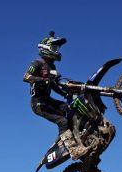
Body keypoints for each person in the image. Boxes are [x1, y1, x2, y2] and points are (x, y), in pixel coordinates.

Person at [23, 31, 89, 160]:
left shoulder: (51, 66)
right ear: (45, 48)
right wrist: (44, 80)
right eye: (54, 48)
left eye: (57, 48)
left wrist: (65, 94)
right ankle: (72, 150)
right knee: (62, 121)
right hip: (38, 103)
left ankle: (79, 137)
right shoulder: (36, 63)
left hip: (48, 100)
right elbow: (26, 77)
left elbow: (53, 85)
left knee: (70, 108)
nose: (57, 51)